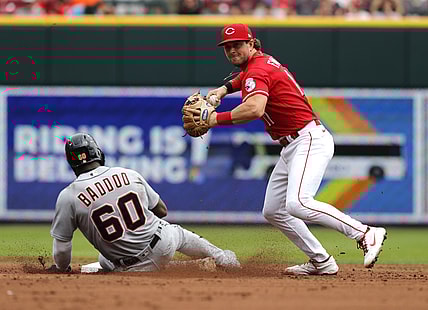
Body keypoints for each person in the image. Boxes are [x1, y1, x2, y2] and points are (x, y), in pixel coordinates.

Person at [202, 23, 387, 275]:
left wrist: (214, 119)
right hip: (292, 145)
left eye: (237, 45)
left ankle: (365, 233)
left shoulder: (256, 70)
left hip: (307, 139)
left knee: (298, 203)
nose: (232, 50)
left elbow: (254, 109)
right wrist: (224, 89)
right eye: (227, 47)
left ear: (251, 43)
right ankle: (322, 261)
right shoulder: (261, 63)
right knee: (273, 210)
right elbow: (245, 79)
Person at [50, 133, 240, 272]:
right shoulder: (127, 174)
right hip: (161, 243)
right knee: (177, 233)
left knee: (105, 260)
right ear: (97, 153)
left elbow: (62, 247)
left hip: (128, 267)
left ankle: (192, 267)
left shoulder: (68, 196)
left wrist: (62, 268)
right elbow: (162, 210)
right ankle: (222, 259)